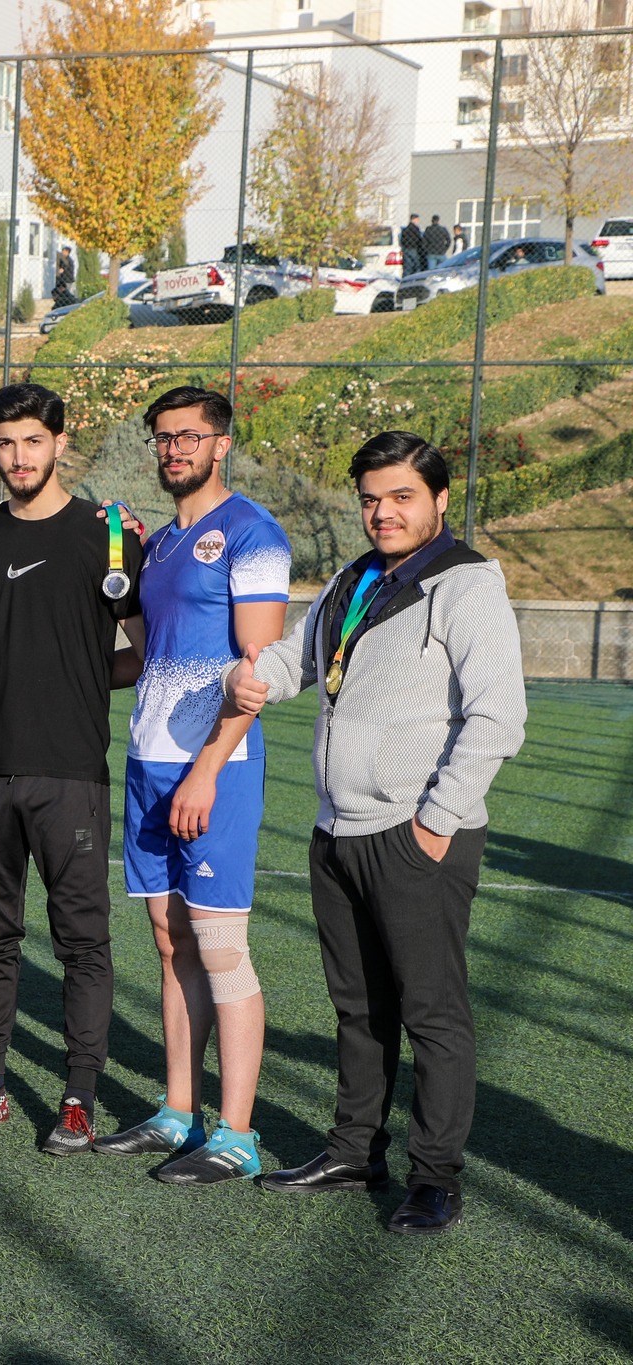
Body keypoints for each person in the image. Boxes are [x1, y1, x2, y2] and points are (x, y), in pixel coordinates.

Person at [229, 432, 525, 1234]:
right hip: (337, 831)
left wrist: (435, 821)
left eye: (401, 496)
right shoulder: (355, 580)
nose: (383, 512)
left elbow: (499, 717)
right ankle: (353, 1151)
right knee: (358, 1011)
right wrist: (248, 674)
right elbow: (298, 664)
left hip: (414, 833)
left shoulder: (465, 584)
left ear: (436, 499)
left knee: (431, 1013)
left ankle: (436, 1177)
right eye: (370, 497)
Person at [0, 382, 144, 1155]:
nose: (18, 457)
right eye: (4, 443)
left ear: (61, 442)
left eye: (32, 441)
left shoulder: (109, 535)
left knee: (81, 941)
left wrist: (83, 676)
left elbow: (145, 649)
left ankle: (79, 1096)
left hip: (69, 769)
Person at [94, 386, 290, 1185]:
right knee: (169, 940)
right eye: (163, 437)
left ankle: (235, 1131)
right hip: (149, 763)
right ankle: (179, 1109)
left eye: (190, 436)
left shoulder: (252, 532)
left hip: (217, 768)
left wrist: (207, 767)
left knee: (220, 947)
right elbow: (146, 650)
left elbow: (258, 670)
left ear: (222, 444)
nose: (175, 449)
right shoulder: (166, 543)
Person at [53, 245, 78, 309]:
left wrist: (61, 270)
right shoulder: (65, 259)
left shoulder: (68, 260)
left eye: (63, 251)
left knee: (65, 294)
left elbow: (64, 268)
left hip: (67, 280)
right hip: (66, 280)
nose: (62, 252)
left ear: (67, 252)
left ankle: (66, 306)